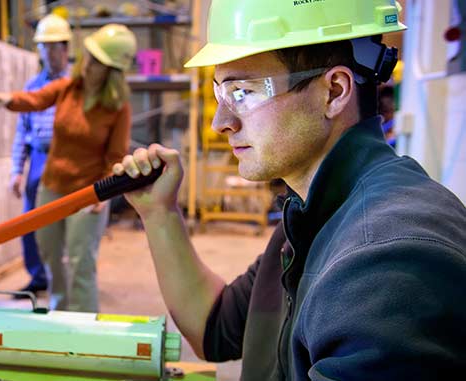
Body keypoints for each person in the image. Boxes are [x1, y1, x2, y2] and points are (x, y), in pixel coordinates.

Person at [112, 0, 466, 379]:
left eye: (243, 92)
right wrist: (160, 213)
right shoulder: (313, 216)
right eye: (221, 94)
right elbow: (215, 328)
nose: (221, 122)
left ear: (333, 91)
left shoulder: (387, 258)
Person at [0, 24, 137, 312]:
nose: (88, 63)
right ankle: (59, 315)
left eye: (97, 61)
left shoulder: (117, 107)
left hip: (88, 194)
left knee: (81, 262)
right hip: (52, 185)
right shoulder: (69, 88)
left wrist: (102, 196)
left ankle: (83, 327)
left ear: (112, 70)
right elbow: (36, 98)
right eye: (89, 56)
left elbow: (115, 156)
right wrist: (9, 100)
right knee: (51, 256)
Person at [8, 14, 72, 298]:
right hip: (38, 159)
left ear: (65, 48)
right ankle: (38, 277)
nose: (47, 52)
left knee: (68, 224)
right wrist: (16, 171)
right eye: (43, 46)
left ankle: (64, 279)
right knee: (29, 221)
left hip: (68, 160)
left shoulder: (76, 87)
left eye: (53, 46)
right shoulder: (32, 86)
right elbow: (22, 131)